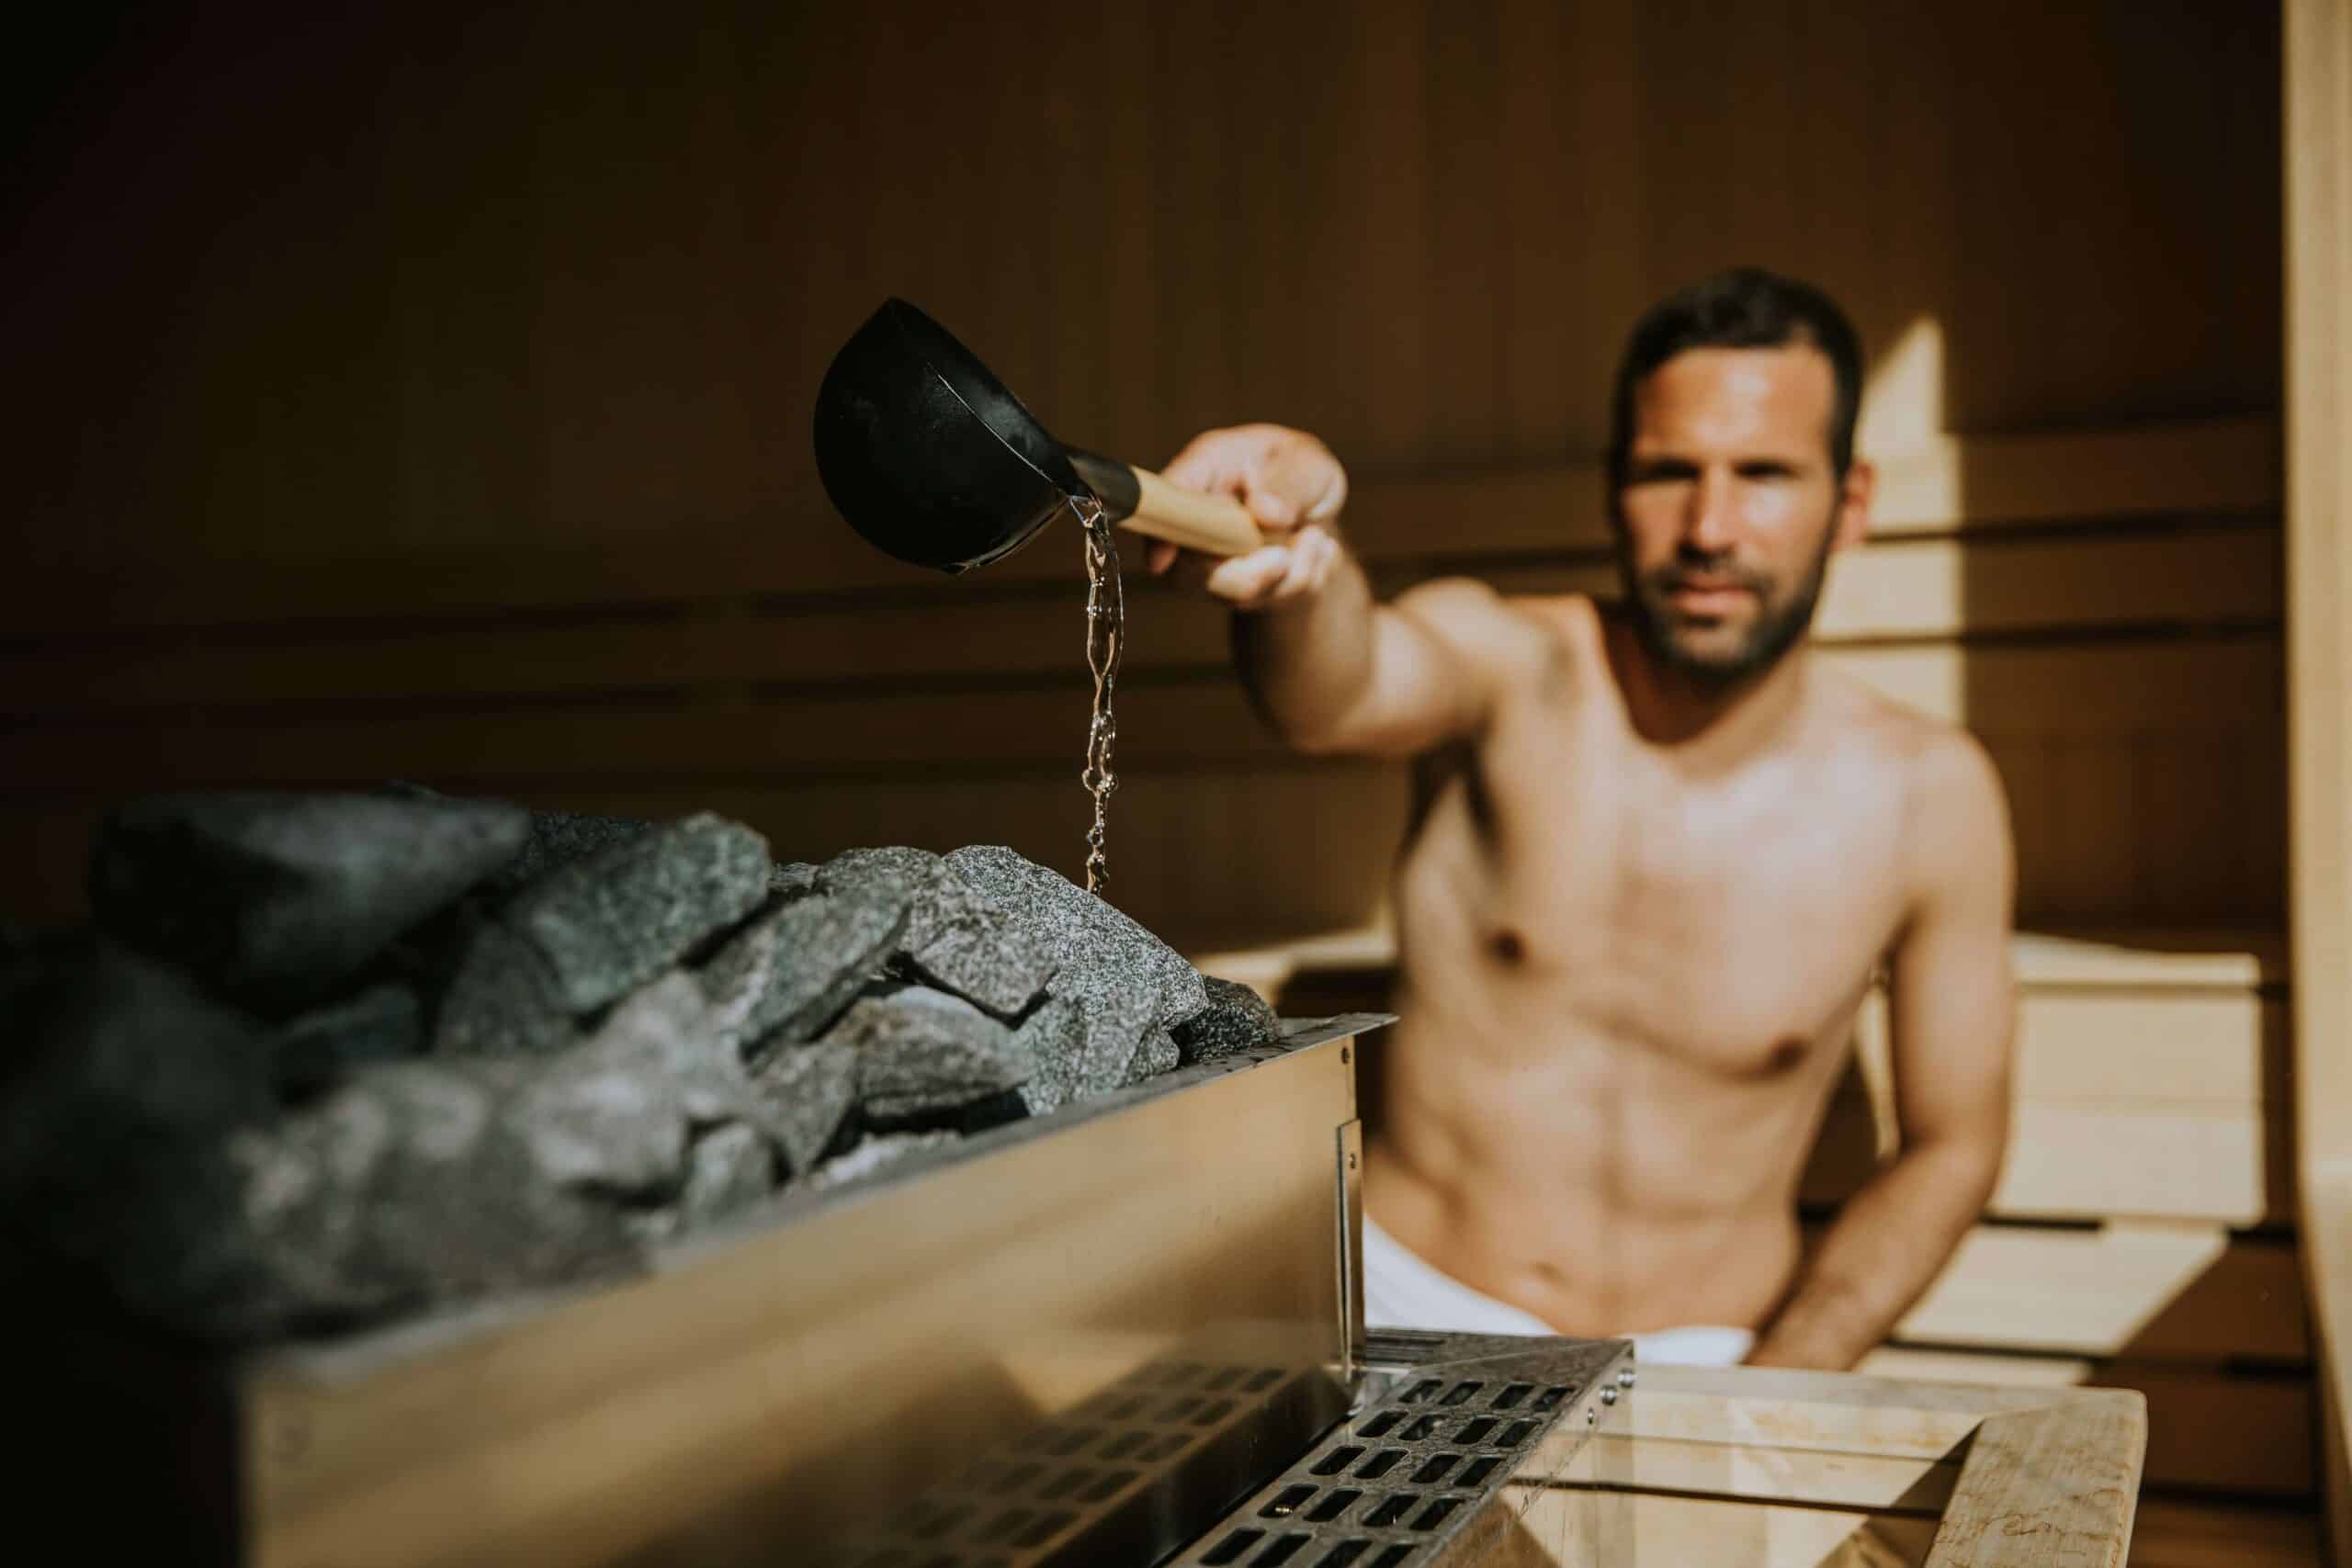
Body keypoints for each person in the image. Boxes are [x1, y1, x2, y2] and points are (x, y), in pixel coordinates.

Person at [1148, 267, 2016, 1370]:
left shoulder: (1927, 798)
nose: (1709, 526)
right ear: (1614, 487)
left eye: (1762, 474)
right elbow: (1338, 693)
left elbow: (1955, 1143)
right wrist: (1297, 566)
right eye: (1668, 472)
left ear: (1848, 506)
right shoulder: (1511, 670)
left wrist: (1786, 1381)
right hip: (1411, 1312)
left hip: (1709, 1357)